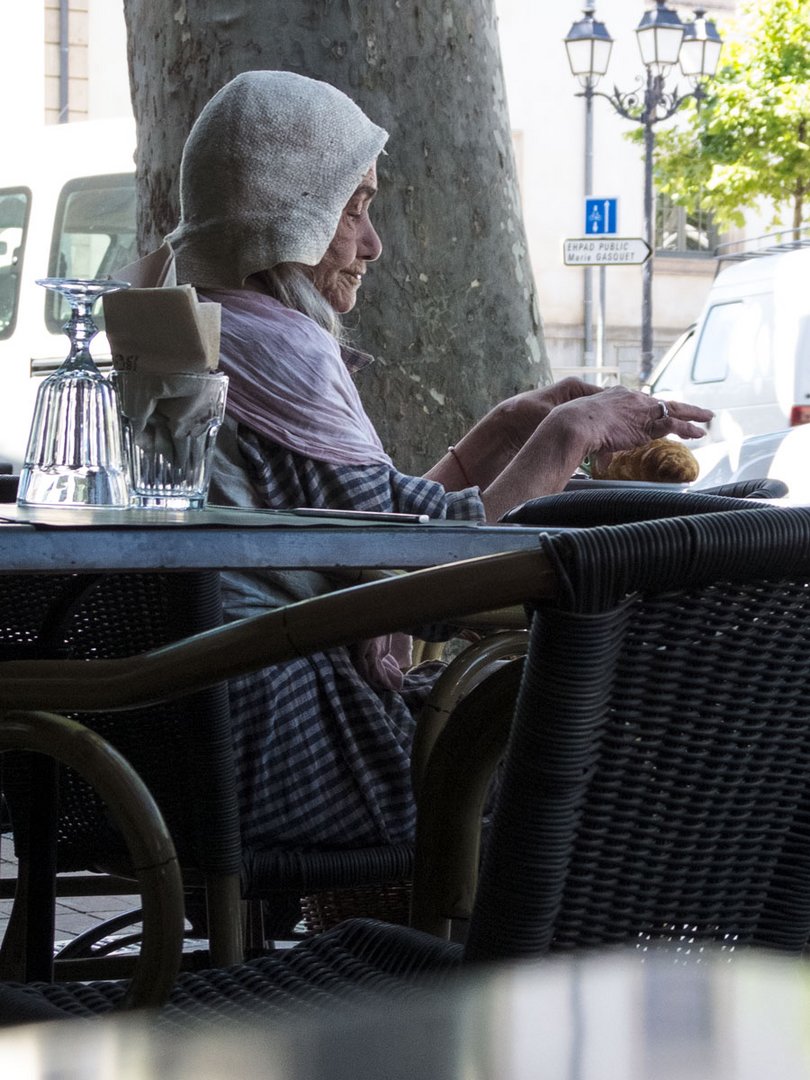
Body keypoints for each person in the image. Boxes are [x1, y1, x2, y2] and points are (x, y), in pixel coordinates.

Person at [157, 70, 712, 853]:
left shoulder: (200, 330)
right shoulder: (279, 353)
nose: (375, 245)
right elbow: (416, 579)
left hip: (171, 732)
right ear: (292, 224)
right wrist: (567, 437)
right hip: (274, 741)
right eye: (356, 210)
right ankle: (508, 962)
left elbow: (367, 529)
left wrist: (505, 428)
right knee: (591, 756)